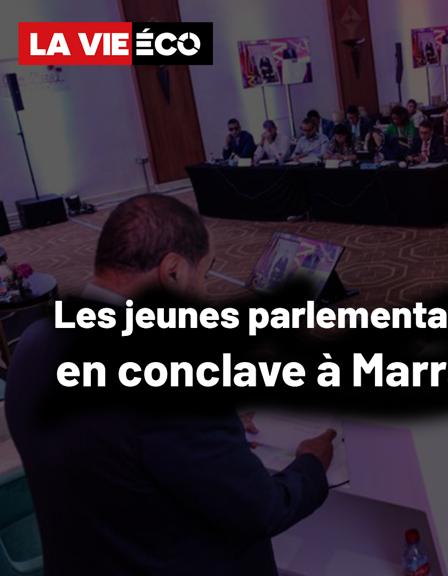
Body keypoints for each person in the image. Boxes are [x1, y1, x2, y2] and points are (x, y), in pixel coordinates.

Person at [5, 194, 336, 574]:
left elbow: (110, 447)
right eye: (205, 275)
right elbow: (262, 510)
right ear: (173, 272)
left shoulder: (33, 343)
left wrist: (212, 436)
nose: (205, 294)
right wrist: (312, 463)